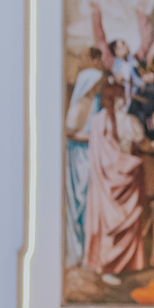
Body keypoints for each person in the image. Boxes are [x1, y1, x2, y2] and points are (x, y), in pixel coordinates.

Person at [83, 81, 149, 284]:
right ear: (119, 100)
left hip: (104, 181)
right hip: (125, 176)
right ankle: (117, 265)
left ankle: (106, 265)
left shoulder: (97, 121)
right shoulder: (129, 121)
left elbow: (97, 154)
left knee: (107, 221)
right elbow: (143, 142)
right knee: (123, 220)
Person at [65, 48, 104, 266]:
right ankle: (76, 251)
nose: (98, 87)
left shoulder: (96, 102)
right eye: (95, 84)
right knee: (78, 202)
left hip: (92, 156)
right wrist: (92, 137)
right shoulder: (79, 105)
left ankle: (90, 253)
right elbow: (69, 133)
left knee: (92, 204)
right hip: (78, 156)